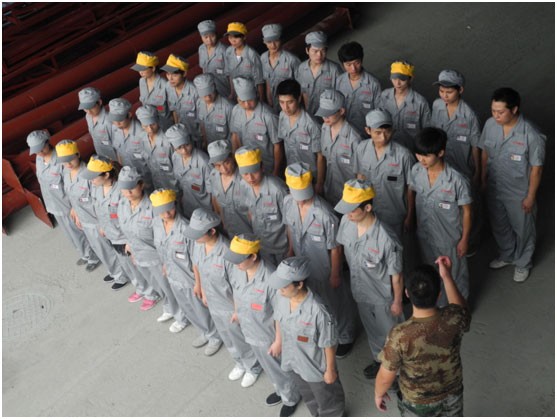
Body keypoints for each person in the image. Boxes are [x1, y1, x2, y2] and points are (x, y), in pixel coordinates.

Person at [375, 256, 471, 416]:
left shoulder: (400, 335)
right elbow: (460, 308)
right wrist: (446, 276)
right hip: (452, 392)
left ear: (407, 293)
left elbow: (386, 376)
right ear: (439, 294)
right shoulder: (454, 318)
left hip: (418, 402)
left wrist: (378, 394)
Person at [283, 163, 357, 359]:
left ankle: (345, 336)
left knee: (335, 304)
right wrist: (290, 249)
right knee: (315, 302)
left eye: (304, 195)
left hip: (324, 268)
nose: (300, 200)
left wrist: (335, 274)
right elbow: (290, 227)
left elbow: (335, 247)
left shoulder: (325, 214)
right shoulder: (288, 203)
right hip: (302, 265)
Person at [334, 179, 404, 379]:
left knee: (393, 336)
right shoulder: (347, 222)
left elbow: (397, 275)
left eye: (352, 209)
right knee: (372, 332)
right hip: (360, 292)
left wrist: (397, 301)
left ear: (367, 207)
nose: (348, 213)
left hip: (383, 298)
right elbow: (341, 248)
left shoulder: (386, 238)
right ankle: (379, 361)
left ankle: (400, 373)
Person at [224, 234, 300, 416]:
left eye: (239, 260)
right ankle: (280, 389)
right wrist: (236, 312)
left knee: (280, 367)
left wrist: (278, 341)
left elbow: (280, 313)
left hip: (268, 334)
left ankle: (291, 397)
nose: (235, 264)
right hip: (250, 328)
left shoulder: (270, 278)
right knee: (269, 366)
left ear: (253, 257)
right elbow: (236, 291)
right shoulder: (239, 269)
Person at [187, 208, 262, 387]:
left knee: (238, 337)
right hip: (213, 300)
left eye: (198, 233)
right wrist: (201, 288)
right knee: (226, 335)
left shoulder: (227, 252)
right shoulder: (198, 244)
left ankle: (252, 366)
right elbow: (197, 265)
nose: (195, 237)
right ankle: (239, 361)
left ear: (212, 231)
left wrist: (237, 310)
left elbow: (238, 285)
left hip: (229, 304)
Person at [479, 87, 545, 283]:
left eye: (500, 112)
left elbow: (536, 169)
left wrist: (530, 196)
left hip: (518, 192)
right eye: (493, 110)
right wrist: (482, 178)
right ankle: (507, 254)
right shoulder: (490, 125)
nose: (496, 115)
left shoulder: (531, 134)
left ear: (514, 109)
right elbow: (484, 152)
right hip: (495, 187)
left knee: (523, 229)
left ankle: (523, 263)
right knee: (499, 224)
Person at [269, 257, 345, 417]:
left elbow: (329, 343)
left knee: (328, 400)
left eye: (284, 285)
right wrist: (278, 340)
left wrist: (330, 370)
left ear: (299, 284)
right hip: (293, 361)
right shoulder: (281, 297)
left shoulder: (319, 311)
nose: (280, 289)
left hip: (315, 367)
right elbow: (278, 318)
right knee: (309, 397)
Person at [150, 189, 222, 348]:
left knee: (200, 310)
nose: (167, 214)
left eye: (169, 209)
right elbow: (161, 248)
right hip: (173, 276)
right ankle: (204, 332)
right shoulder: (156, 224)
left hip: (189, 278)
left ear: (175, 205)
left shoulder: (185, 228)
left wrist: (198, 284)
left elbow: (196, 260)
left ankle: (214, 336)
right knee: (187, 308)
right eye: (162, 211)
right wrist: (165, 264)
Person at [409, 127, 472, 305]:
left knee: (455, 274)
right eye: (418, 154)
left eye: (426, 155)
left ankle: (460, 309)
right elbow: (411, 191)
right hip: (425, 234)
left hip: (449, 237)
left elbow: (467, 211)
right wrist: (410, 217)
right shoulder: (416, 171)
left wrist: (464, 239)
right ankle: (440, 304)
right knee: (432, 272)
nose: (421, 159)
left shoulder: (457, 181)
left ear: (441, 153)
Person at [431, 70, 482, 255]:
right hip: (442, 166)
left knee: (468, 208)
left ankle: (471, 242)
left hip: (463, 168)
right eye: (442, 91)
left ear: (460, 90)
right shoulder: (437, 105)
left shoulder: (469, 115)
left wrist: (478, 172)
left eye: (449, 92)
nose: (444, 95)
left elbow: (476, 145)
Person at [117, 166, 179, 319]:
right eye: (124, 189)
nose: (128, 193)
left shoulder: (153, 207)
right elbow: (126, 228)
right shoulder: (123, 204)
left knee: (168, 287)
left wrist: (166, 261)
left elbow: (164, 237)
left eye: (132, 188)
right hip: (139, 255)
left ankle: (179, 314)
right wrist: (131, 249)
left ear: (141, 185)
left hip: (156, 257)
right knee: (158, 285)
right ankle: (169, 307)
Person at [26, 131, 93, 267]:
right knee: (70, 233)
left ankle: (92, 256)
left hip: (67, 204)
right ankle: (83, 253)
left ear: (47, 142)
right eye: (36, 150)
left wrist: (75, 207)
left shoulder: (62, 160)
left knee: (79, 231)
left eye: (41, 148)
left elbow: (71, 183)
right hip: (53, 204)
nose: (39, 153)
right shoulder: (39, 159)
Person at [353, 109, 415, 240]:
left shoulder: (403, 155)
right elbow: (359, 178)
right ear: (368, 130)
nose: (383, 137)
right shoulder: (361, 149)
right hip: (369, 213)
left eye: (387, 131)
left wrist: (410, 216)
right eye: (378, 132)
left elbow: (411, 189)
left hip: (394, 216)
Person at [81, 155, 130, 291]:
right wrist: (103, 226)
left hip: (123, 235)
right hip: (111, 232)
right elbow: (99, 209)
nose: (91, 180)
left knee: (133, 264)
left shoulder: (120, 191)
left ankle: (147, 290)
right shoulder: (97, 187)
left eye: (94, 177)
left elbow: (127, 217)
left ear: (106, 175)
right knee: (124, 261)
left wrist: (130, 240)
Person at [235, 146, 289, 266]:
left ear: (262, 167)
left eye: (254, 172)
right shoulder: (242, 186)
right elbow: (248, 212)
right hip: (261, 245)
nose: (250, 178)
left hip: (282, 248)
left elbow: (290, 224)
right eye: (245, 174)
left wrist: (291, 250)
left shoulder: (278, 189)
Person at [55, 140, 101, 273]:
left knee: (105, 246)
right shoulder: (67, 174)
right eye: (64, 161)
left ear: (78, 154)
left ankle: (120, 274)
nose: (68, 164)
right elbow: (71, 194)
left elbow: (97, 199)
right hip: (83, 215)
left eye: (71, 159)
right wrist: (74, 209)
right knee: (95, 244)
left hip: (94, 217)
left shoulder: (88, 174)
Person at [230, 76, 283, 177]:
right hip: (245, 164)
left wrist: (276, 171)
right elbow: (235, 136)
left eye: (250, 100)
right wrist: (236, 161)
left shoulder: (269, 116)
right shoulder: (236, 111)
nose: (246, 105)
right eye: (242, 101)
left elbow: (278, 146)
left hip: (266, 166)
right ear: (237, 99)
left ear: (257, 95)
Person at [316, 89, 362, 206]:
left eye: (329, 113)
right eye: (323, 112)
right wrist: (320, 183)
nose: (325, 117)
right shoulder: (324, 128)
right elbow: (322, 157)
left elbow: (361, 173)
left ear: (341, 111)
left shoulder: (354, 138)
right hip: (329, 190)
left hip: (349, 197)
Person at [276, 79, 323, 192]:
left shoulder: (311, 124)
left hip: (309, 178)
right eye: (282, 102)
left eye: (290, 102)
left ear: (299, 98)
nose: (286, 107)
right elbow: (282, 144)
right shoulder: (282, 116)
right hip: (291, 174)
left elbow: (321, 157)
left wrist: (319, 183)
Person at [380, 60, 431, 153]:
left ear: (410, 79)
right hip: (387, 150)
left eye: (402, 79)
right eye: (394, 78)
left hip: (411, 151)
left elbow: (427, 132)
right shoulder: (384, 96)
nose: (397, 83)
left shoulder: (420, 102)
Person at [206, 140, 252, 238]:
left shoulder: (246, 178)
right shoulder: (213, 175)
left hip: (249, 231)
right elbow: (215, 199)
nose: (224, 169)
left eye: (226, 162)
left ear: (232, 157)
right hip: (229, 229)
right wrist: (221, 220)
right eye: (218, 165)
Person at [335, 41, 381, 137]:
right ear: (342, 64)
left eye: (357, 63)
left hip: (366, 134)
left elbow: (379, 113)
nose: (353, 68)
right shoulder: (339, 81)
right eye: (348, 65)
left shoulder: (373, 84)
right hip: (344, 133)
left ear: (362, 60)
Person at [166, 123, 212, 218]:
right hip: (187, 207)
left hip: (205, 211)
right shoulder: (175, 157)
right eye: (179, 148)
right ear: (173, 147)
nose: (184, 151)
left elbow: (213, 193)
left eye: (187, 145)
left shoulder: (203, 161)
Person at [108, 97, 153, 189]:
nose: (117, 123)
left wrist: (147, 182)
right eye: (114, 119)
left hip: (145, 180)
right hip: (127, 178)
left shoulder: (142, 133)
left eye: (120, 119)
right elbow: (118, 151)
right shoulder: (115, 129)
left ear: (129, 115)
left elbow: (152, 161)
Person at [295, 31, 342, 116]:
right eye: (315, 51)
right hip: (309, 114)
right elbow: (303, 93)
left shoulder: (334, 69)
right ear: (307, 50)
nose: (319, 55)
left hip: (328, 116)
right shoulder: (301, 68)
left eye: (323, 51)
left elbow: (342, 96)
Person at [161, 54, 201, 148]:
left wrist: (203, 139)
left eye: (174, 74)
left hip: (196, 135)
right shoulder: (168, 87)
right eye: (168, 74)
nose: (170, 78)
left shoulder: (195, 91)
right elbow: (174, 111)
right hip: (181, 136)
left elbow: (203, 119)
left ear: (184, 73)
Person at [260, 24, 301, 112]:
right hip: (273, 105)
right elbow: (267, 82)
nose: (273, 45)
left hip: (289, 105)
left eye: (276, 41)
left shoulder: (292, 60)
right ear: (264, 42)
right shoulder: (263, 58)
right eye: (269, 42)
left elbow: (302, 86)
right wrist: (269, 101)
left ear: (281, 40)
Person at [135, 104, 175, 191]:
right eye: (145, 126)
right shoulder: (141, 138)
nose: (150, 129)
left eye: (152, 124)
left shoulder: (169, 141)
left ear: (158, 121)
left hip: (173, 186)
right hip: (157, 184)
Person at [223, 22, 265, 101]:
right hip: (237, 95)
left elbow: (259, 81)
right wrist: (232, 93)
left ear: (244, 37)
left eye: (236, 37)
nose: (233, 41)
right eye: (230, 37)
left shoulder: (252, 55)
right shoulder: (228, 52)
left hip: (251, 95)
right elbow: (230, 75)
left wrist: (261, 100)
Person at [130, 51, 172, 130]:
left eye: (143, 69)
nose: (140, 72)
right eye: (139, 69)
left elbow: (174, 109)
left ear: (153, 68)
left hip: (164, 126)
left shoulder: (165, 85)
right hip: (149, 125)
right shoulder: (142, 81)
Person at [194, 73, 235, 150]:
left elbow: (234, 135)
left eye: (210, 93)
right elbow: (202, 125)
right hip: (209, 147)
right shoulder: (199, 103)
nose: (208, 98)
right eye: (204, 95)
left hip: (225, 150)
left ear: (215, 87)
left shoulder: (229, 107)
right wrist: (204, 142)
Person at [78, 87, 118, 161]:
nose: (88, 111)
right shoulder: (88, 117)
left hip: (115, 159)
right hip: (101, 156)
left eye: (91, 107)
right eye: (85, 108)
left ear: (99, 102)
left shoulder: (110, 121)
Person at [197, 19, 230, 99]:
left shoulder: (225, 50)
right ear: (201, 37)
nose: (209, 40)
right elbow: (203, 69)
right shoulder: (201, 49)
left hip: (224, 88)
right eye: (206, 37)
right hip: (209, 89)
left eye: (212, 36)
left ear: (216, 34)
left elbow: (232, 75)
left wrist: (233, 93)